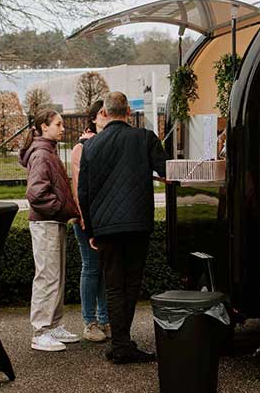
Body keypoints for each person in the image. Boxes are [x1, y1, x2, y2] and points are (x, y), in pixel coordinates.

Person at [78, 91, 168, 364]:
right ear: (129, 111)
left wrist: (91, 231)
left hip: (105, 228)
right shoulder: (144, 138)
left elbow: (84, 192)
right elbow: (166, 172)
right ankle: (122, 344)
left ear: (104, 112)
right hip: (137, 224)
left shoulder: (90, 146)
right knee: (131, 284)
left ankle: (120, 343)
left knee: (114, 286)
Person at [19, 109, 80, 351]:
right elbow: (36, 193)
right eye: (58, 124)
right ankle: (40, 331)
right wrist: (60, 208)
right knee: (47, 276)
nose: (62, 128)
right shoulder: (42, 154)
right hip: (46, 223)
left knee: (56, 276)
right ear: (44, 127)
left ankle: (52, 325)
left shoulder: (48, 151)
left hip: (52, 222)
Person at [71, 101, 110, 342]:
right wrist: (86, 221)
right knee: (91, 267)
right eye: (102, 114)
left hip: (105, 219)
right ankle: (90, 322)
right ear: (93, 119)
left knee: (104, 270)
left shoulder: (106, 144)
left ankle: (105, 320)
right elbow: (78, 187)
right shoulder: (82, 147)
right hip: (87, 219)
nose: (107, 116)